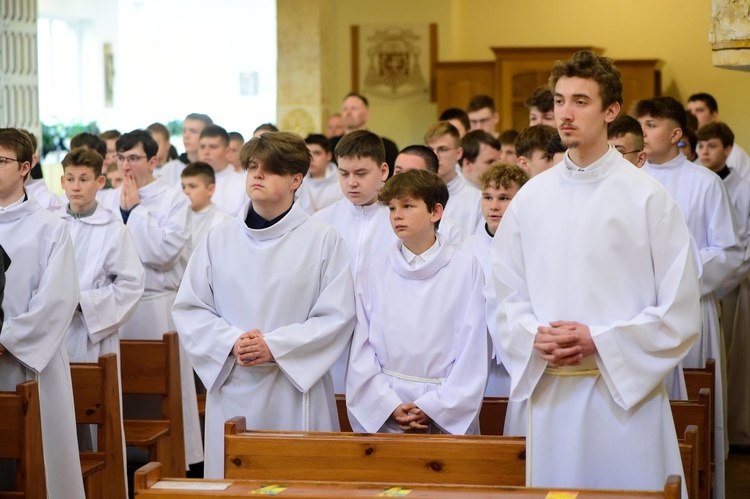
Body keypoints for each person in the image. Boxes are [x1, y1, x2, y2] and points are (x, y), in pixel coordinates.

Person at [491, 50, 700, 494]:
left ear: (611, 110)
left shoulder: (648, 198)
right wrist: (532, 334)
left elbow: (679, 311)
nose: (565, 113)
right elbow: (504, 293)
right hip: (548, 393)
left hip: (623, 399)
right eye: (560, 100)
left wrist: (599, 340)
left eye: (581, 101)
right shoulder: (532, 198)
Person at [172, 131, 355, 478]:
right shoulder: (219, 238)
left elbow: (337, 316)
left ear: (296, 179)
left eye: (269, 169)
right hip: (233, 380)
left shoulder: (322, 239)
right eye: (252, 166)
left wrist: (275, 346)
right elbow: (190, 308)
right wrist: (231, 342)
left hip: (294, 385)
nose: (256, 175)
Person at [637, 98, 743, 499]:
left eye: (651, 125)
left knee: (690, 406)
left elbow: (728, 252)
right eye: (642, 125)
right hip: (638, 308)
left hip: (689, 306)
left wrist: (675, 276)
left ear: (676, 134)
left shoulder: (704, 182)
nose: (644, 133)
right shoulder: (631, 178)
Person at [346, 169, 488, 434]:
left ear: (435, 212)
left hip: (445, 403)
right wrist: (387, 405)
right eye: (391, 208)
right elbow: (361, 349)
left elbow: (475, 346)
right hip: (389, 405)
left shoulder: (465, 268)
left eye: (407, 206)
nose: (396, 216)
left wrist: (436, 406)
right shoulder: (374, 271)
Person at [103, 129, 203, 470]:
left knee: (167, 388)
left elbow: (163, 254)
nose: (127, 165)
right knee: (123, 388)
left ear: (153, 160)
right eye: (121, 157)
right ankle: (124, 463)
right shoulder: (106, 199)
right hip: (118, 308)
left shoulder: (174, 199)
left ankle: (176, 460)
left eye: (134, 158)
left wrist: (135, 213)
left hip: (158, 307)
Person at [0, 127, 86, 498]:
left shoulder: (50, 228)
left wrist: (6, 339)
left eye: (1, 161)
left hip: (29, 360)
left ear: (25, 167)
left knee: (38, 464)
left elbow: (58, 299)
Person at [315, 130, 394, 392]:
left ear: (383, 171)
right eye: (344, 173)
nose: (351, 183)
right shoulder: (321, 222)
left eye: (361, 174)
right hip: (334, 339)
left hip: (386, 338)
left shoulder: (398, 221)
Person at [56, 147, 144, 363]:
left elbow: (131, 285)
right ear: (62, 182)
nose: (76, 187)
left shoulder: (113, 228)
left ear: (100, 182)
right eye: (71, 179)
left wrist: (83, 303)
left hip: (92, 334)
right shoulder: (50, 224)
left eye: (84, 179)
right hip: (52, 331)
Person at [696, 121, 750, 448]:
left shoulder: (743, 187)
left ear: (727, 150)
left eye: (711, 146)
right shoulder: (698, 180)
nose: (704, 152)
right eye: (700, 146)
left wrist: (721, 284)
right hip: (709, 284)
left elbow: (741, 245)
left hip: (736, 284)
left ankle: (738, 429)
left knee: (736, 357)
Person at [462, 162, 528, 401]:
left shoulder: (532, 247)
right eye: (487, 197)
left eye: (504, 198)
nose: (494, 206)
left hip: (518, 356)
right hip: (478, 359)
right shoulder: (466, 249)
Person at [393, 145, 465, 245]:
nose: (402, 180)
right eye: (398, 172)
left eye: (412, 173)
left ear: (431, 177)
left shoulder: (450, 231)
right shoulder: (384, 217)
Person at [424, 122, 483, 237]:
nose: (435, 156)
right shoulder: (416, 196)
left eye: (443, 149)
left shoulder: (477, 199)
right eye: (430, 149)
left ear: (459, 153)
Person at [330, 93, 399, 176]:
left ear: (366, 115)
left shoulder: (386, 146)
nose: (348, 112)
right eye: (345, 109)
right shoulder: (330, 145)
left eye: (354, 108)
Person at [688, 92, 750, 181]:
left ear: (714, 115)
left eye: (699, 110)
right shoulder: (690, 148)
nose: (693, 115)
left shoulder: (734, 153)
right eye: (689, 111)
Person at [181, 161, 233, 256]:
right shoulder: (177, 219)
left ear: (210, 189)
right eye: (183, 187)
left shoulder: (225, 222)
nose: (186, 192)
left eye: (192, 186)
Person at [198, 125, 247, 216]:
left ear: (227, 151)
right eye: (202, 147)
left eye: (213, 147)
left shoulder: (243, 186)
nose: (206, 152)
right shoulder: (187, 182)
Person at [157, 113, 213, 186]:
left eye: (193, 131)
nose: (186, 136)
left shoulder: (215, 168)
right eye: (184, 131)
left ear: (207, 136)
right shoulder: (169, 170)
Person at [296, 134, 343, 214]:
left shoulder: (341, 180)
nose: (311, 159)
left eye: (317, 153)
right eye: (308, 154)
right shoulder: (298, 182)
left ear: (328, 155)